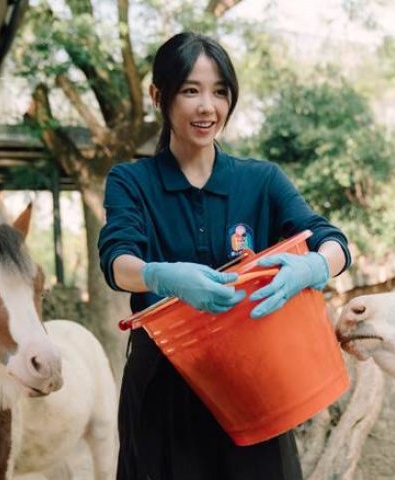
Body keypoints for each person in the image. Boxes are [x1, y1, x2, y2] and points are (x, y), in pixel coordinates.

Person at [98, 32, 351, 480]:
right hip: (164, 389)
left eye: (220, 92)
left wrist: (315, 266)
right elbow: (118, 261)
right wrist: (162, 276)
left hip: (256, 389)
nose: (207, 107)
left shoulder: (262, 181)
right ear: (159, 96)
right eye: (190, 90)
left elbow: (331, 240)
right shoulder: (131, 181)